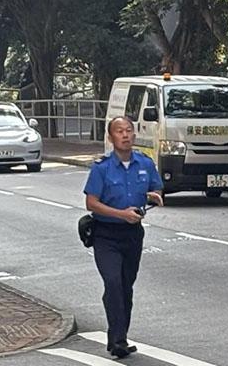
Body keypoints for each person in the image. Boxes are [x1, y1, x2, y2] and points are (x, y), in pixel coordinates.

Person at [83, 117, 163, 359]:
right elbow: (91, 202)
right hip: (106, 235)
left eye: (129, 131)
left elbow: (157, 190)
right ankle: (117, 340)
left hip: (132, 235)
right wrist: (121, 214)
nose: (125, 135)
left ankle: (120, 335)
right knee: (113, 282)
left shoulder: (145, 163)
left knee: (125, 286)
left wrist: (154, 196)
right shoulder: (102, 167)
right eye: (120, 131)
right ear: (111, 137)